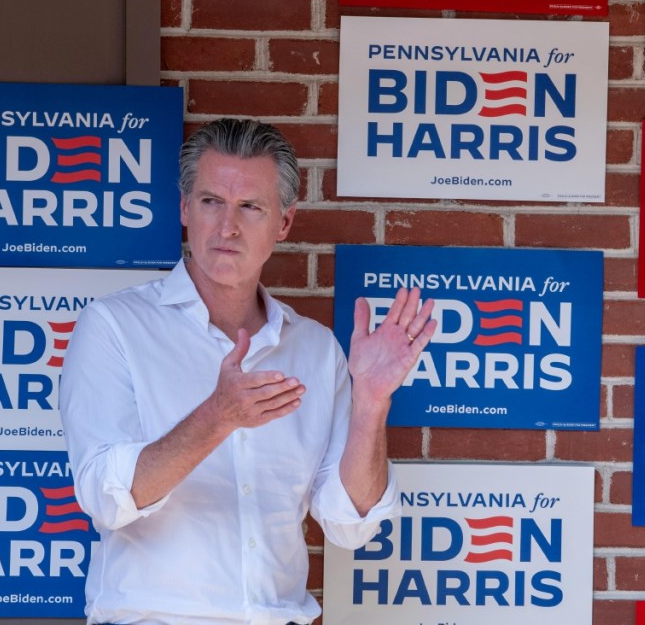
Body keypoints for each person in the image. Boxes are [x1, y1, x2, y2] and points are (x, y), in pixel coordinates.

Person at [59, 118, 437, 624]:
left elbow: (350, 524)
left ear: (284, 222)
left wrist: (371, 401)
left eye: (251, 207)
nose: (227, 226)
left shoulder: (317, 351)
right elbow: (106, 498)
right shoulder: (115, 327)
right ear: (184, 209)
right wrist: (218, 416)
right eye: (211, 201)